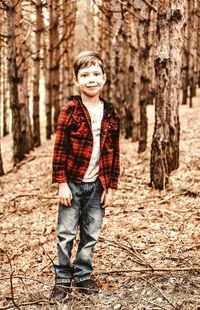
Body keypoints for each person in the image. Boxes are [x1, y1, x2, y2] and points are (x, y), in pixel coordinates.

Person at [52, 51, 120, 301]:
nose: (91, 79)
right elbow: (59, 150)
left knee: (91, 234)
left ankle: (82, 276)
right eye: (85, 75)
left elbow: (114, 153)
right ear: (76, 80)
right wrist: (61, 184)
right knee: (66, 233)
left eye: (96, 74)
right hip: (72, 184)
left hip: (98, 186)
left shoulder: (111, 113)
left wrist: (111, 187)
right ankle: (62, 280)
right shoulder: (69, 111)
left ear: (104, 78)